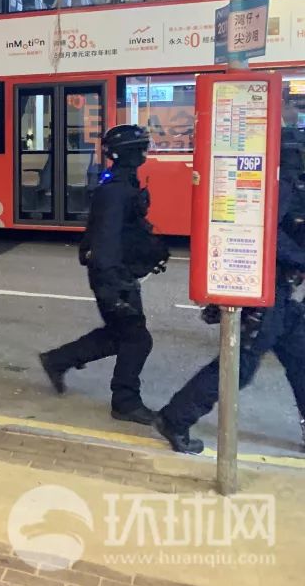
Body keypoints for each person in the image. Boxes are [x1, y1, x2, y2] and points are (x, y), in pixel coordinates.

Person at [154, 127, 305, 454]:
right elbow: (267, 232)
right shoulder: (286, 184)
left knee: (300, 360)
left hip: (281, 294)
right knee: (240, 367)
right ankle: (176, 418)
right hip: (266, 293)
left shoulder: (286, 182)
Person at [38, 125, 169, 425]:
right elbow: (105, 242)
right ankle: (125, 402)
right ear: (130, 153)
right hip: (113, 278)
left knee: (118, 335)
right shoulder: (115, 191)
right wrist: (114, 290)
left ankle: (57, 360)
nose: (145, 154)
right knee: (137, 339)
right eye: (142, 148)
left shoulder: (123, 185)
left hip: (116, 274)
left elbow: (122, 234)